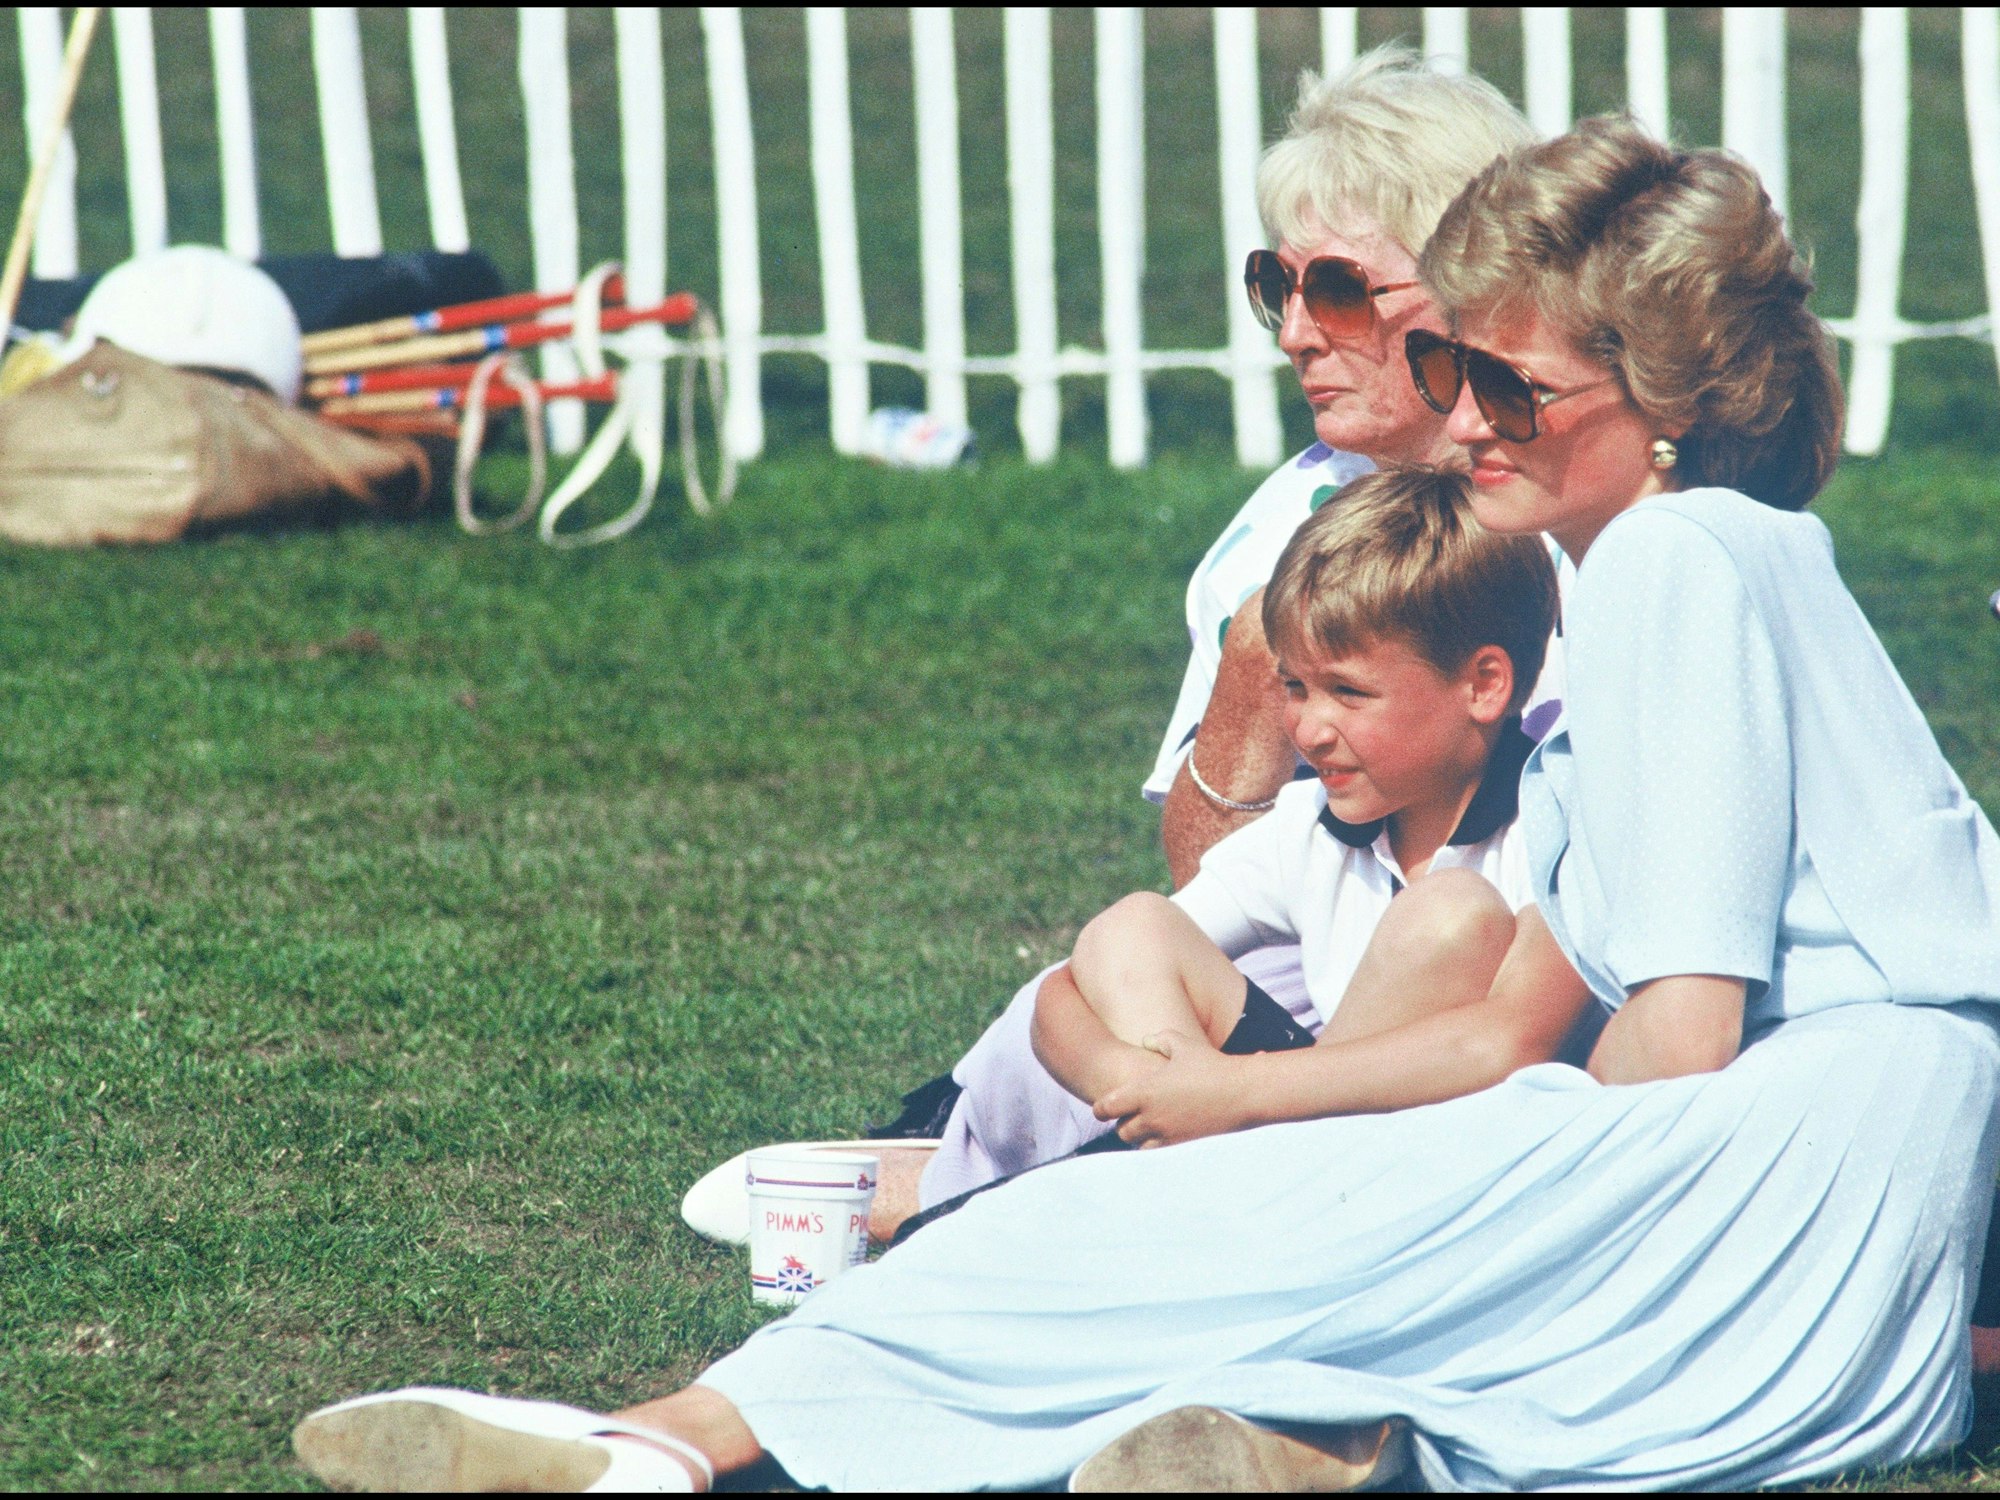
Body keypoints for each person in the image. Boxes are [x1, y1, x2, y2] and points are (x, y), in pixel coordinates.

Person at [293, 115, 2000, 1492]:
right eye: (1463, 372)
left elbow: (1681, 1034)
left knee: (1264, 1219)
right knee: (1255, 1212)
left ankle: (677, 1436)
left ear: (1671, 409)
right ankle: (766, 1438)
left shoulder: (1678, 562)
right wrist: (1296, 1112)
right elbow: (1537, 1014)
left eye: (1512, 388)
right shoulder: (1692, 565)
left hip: (1800, 1146)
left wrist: (1430, 1147)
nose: (1465, 421)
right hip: (1805, 1133)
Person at [681, 49, 1550, 1236]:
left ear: (1468, 292)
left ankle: (976, 1180)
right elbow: (1200, 873)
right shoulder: (1288, 527)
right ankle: (1003, 1168)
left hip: (1495, 978)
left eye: (1339, 290)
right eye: (1274, 285)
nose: (1295, 332)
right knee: (1114, 965)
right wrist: (1253, 683)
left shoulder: (1566, 516)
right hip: (1316, 928)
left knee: (1411, 940)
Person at [1033, 467, 1573, 1148]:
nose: (1309, 728)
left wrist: (1234, 1093)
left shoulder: (1557, 817)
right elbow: (1064, 992)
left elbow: (1506, 1044)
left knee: (1448, 916)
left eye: (1347, 692)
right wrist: (1147, 1084)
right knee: (1131, 928)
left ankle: (1209, 1189)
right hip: (1294, 1136)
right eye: (1295, 686)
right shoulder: (1310, 825)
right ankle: (1186, 1175)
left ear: (1483, 684)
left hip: (1469, 1159)